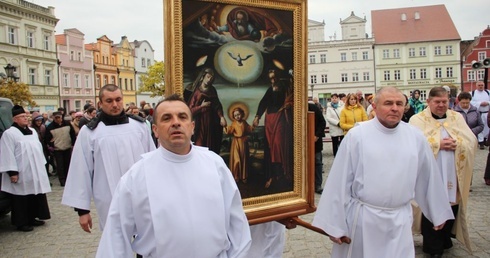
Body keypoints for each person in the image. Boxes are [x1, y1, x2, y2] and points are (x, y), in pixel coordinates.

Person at [96, 94, 251, 257]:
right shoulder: (136, 177)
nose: (176, 122)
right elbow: (116, 236)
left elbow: (237, 224)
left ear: (192, 127)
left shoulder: (215, 164)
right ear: (155, 130)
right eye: (166, 118)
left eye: (182, 117)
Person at [312, 87, 454, 258]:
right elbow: (340, 181)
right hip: (364, 219)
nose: (395, 108)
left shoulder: (415, 137)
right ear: (374, 106)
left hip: (400, 219)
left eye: (399, 104)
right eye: (388, 103)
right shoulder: (357, 136)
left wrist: (437, 211)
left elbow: (428, 177)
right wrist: (334, 224)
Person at [62, 84, 155, 233]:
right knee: (115, 240)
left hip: (140, 195)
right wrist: (82, 211)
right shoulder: (90, 132)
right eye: (109, 101)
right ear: (100, 104)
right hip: (108, 196)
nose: (115, 105)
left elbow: (153, 162)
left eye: (118, 99)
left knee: (146, 239)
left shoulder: (139, 126)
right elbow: (81, 169)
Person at [410, 86, 477, 257]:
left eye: (444, 101)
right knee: (430, 205)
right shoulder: (417, 120)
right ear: (429, 102)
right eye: (437, 102)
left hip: (453, 172)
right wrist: (437, 144)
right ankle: (433, 247)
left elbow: (471, 141)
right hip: (431, 173)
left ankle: (445, 238)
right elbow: (412, 145)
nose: (441, 105)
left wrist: (457, 143)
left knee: (452, 203)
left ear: (449, 101)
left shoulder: (457, 117)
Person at [0, 105, 51, 232]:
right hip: (21, 171)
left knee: (34, 194)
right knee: (21, 198)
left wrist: (42, 166)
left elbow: (38, 149)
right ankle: (21, 222)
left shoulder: (32, 131)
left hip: (35, 170)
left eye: (27, 116)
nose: (26, 119)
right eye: (23, 117)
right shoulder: (9, 133)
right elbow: (7, 154)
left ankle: (32, 217)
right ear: (15, 119)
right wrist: (12, 172)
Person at [253, 69, 293, 188]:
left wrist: (289, 105)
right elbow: (263, 103)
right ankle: (273, 176)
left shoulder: (285, 88)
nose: (273, 80)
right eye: (271, 79)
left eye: (274, 78)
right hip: (269, 119)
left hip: (280, 118)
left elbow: (291, 99)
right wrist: (257, 116)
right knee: (270, 147)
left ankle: (281, 173)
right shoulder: (270, 89)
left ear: (278, 77)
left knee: (277, 144)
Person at [186, 68, 227, 154]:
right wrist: (201, 107)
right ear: (203, 77)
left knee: (210, 147)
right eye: (208, 77)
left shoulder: (212, 90)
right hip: (199, 124)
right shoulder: (196, 91)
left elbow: (217, 105)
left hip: (210, 122)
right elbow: (189, 111)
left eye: (211, 78)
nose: (209, 80)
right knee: (199, 146)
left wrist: (221, 117)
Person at [45, 111, 76, 186]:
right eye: (56, 118)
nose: (58, 119)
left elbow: (72, 134)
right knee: (60, 166)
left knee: (67, 164)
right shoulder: (50, 127)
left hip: (67, 147)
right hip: (57, 149)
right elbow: (47, 138)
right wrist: (52, 144)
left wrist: (73, 143)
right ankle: (62, 180)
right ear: (53, 118)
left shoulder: (67, 124)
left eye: (59, 117)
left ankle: (68, 179)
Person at [223, 107, 254, 183]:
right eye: (235, 115)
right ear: (233, 116)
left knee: (243, 159)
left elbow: (249, 129)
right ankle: (236, 176)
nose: (237, 116)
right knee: (237, 160)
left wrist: (254, 125)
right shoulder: (233, 123)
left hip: (243, 143)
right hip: (236, 143)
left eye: (238, 114)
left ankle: (243, 177)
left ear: (242, 114)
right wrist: (224, 126)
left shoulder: (244, 122)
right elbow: (228, 131)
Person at [308, 100, 326, 194]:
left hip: (315, 141)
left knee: (317, 162)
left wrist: (317, 135)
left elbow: (322, 122)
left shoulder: (313, 107)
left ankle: (318, 185)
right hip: (302, 143)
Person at [470, 81, 490, 149]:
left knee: (487, 127)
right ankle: (480, 142)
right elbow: (471, 102)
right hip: (478, 113)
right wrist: (480, 103)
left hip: (487, 113)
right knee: (480, 127)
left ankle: (485, 140)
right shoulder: (472, 93)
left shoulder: (488, 92)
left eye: (482, 85)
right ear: (476, 86)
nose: (481, 86)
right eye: (479, 85)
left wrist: (487, 103)